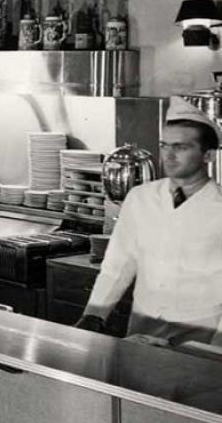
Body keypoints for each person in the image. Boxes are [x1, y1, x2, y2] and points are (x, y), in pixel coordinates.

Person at [76, 96, 222, 346]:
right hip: (143, 329)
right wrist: (94, 314)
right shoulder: (140, 198)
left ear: (208, 155)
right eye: (165, 145)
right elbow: (118, 264)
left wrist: (216, 347)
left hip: (202, 336)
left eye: (181, 147)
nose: (169, 155)